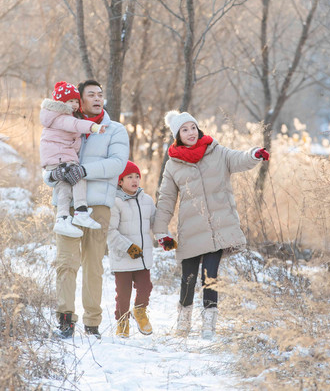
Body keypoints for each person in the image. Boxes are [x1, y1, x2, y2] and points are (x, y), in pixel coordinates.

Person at [153, 110, 270, 340]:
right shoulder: (173, 165)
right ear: (177, 134)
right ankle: (183, 324)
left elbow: (238, 159)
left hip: (218, 228)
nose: (190, 133)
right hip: (190, 230)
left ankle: (209, 325)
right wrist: (160, 231)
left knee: (211, 275)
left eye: (193, 128)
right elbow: (166, 199)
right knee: (188, 278)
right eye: (184, 129)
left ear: (199, 129)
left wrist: (254, 154)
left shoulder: (216, 151)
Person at [44, 79, 129, 339]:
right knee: (66, 263)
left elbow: (117, 163)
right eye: (90, 94)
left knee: (93, 264)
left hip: (98, 207)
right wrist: (53, 175)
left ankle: (92, 322)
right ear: (79, 100)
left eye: (100, 94)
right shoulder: (63, 124)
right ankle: (65, 319)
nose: (97, 98)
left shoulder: (114, 130)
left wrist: (84, 170)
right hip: (67, 208)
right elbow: (47, 159)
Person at [40, 81, 106, 237]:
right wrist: (94, 127)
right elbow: (75, 124)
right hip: (61, 157)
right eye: (71, 101)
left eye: (77, 101)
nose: (75, 105)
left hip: (54, 159)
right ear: (62, 103)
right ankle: (81, 211)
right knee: (78, 176)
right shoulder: (62, 117)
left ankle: (62, 219)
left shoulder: (53, 116)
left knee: (64, 187)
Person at [107, 161, 156, 338]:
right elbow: (110, 231)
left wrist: (164, 237)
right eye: (129, 177)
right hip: (123, 258)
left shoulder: (147, 200)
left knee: (145, 288)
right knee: (123, 295)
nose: (135, 180)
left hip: (142, 259)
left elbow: (155, 223)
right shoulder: (115, 202)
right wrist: (128, 248)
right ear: (120, 181)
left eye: (137, 176)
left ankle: (140, 312)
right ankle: (122, 322)